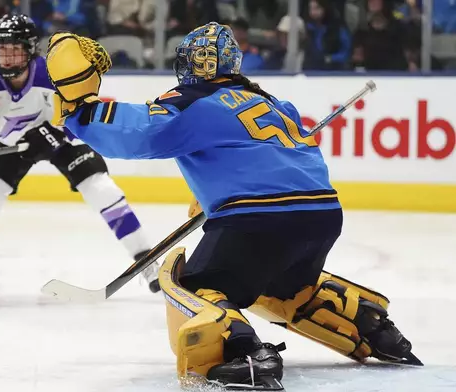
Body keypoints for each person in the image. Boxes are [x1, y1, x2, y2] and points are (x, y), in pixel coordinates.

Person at [44, 22, 421, 390]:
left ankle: (244, 352)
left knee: (195, 287)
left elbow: (141, 133)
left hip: (258, 218)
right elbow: (269, 158)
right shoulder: (272, 102)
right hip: (320, 216)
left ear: (196, 64)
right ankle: (368, 323)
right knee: (282, 286)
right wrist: (215, 196)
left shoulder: (194, 100)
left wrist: (80, 110)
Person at [0, 14, 160, 297]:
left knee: (102, 188)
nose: (8, 57)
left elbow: (82, 110)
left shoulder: (53, 75)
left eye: (15, 49)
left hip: (63, 139)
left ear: (30, 49)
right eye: (2, 49)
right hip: (11, 145)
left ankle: (146, 260)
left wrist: (51, 132)